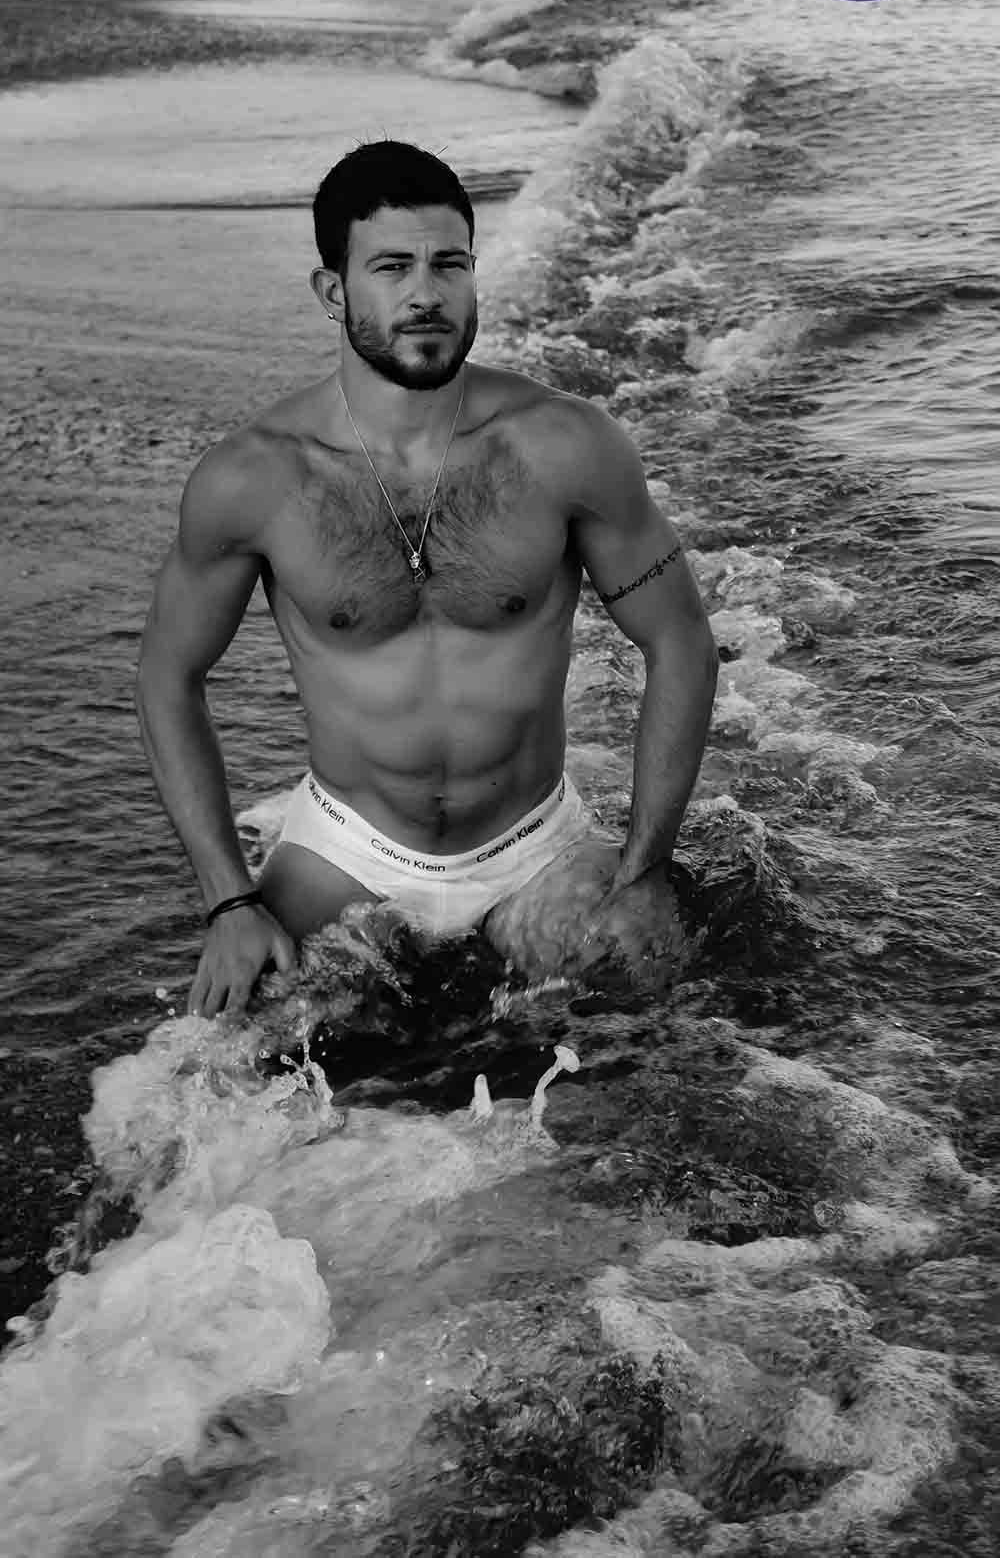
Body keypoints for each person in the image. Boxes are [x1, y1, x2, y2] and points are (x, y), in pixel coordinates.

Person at [135, 140, 719, 1018]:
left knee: (659, 1033)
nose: (426, 294)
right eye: (392, 267)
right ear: (333, 291)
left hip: (534, 848)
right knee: (219, 1068)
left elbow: (680, 641)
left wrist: (644, 869)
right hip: (347, 853)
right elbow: (166, 675)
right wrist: (229, 901)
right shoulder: (256, 478)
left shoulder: (564, 446)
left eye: (450, 264)